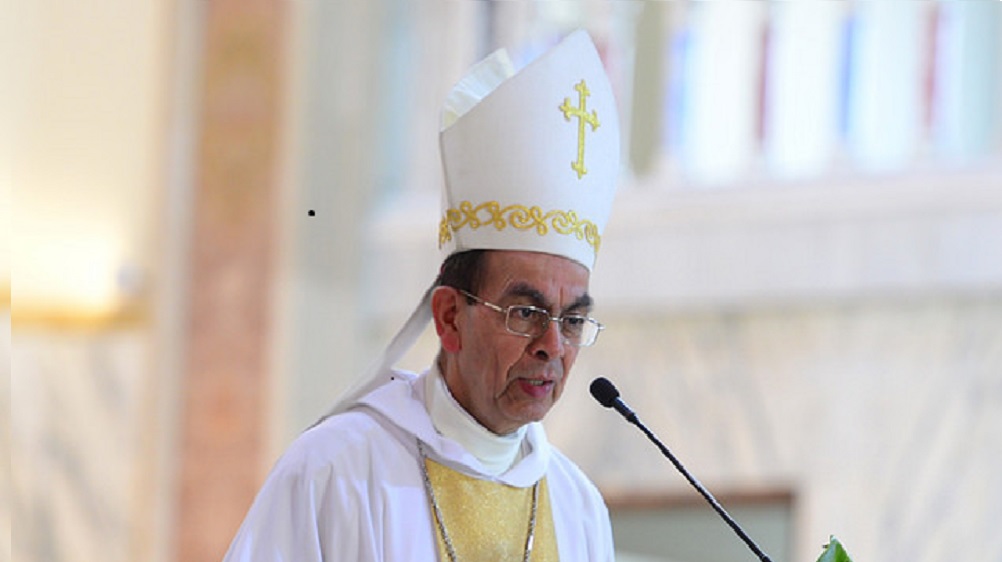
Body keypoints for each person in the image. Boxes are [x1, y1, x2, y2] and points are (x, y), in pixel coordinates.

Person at [223, 29, 620, 562]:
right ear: (450, 316)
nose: (552, 345)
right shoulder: (336, 471)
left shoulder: (579, 510)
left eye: (572, 321)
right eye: (526, 313)